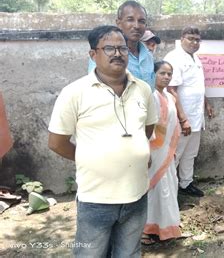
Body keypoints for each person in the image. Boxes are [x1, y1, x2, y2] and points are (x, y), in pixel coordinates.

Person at [48, 25, 158, 257]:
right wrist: (92, 157)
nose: (117, 53)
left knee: (129, 252)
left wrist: (133, 152)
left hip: (136, 195)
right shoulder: (74, 92)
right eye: (109, 48)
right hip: (96, 197)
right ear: (93, 54)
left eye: (122, 48)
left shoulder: (144, 90)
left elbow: (145, 130)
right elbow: (57, 142)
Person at [164, 26, 214, 197]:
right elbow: (170, 89)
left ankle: (186, 183)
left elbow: (197, 85)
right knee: (175, 154)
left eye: (197, 39)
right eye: (190, 38)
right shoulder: (174, 58)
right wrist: (183, 118)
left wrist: (206, 103)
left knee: (190, 153)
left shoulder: (196, 59)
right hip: (182, 118)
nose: (194, 42)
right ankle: (168, 191)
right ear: (181, 38)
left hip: (196, 116)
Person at [142, 61, 182, 245]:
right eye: (162, 73)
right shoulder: (150, 97)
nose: (166, 77)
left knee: (168, 187)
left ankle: (165, 226)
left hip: (167, 151)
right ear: (154, 74)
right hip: (154, 151)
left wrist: (171, 149)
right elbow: (147, 127)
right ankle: (146, 229)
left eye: (169, 74)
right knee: (154, 189)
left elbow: (174, 125)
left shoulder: (169, 97)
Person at [88, 0, 155, 90]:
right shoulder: (104, 54)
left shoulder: (148, 56)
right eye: (130, 20)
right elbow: (97, 89)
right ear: (118, 23)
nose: (136, 26)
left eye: (141, 21)